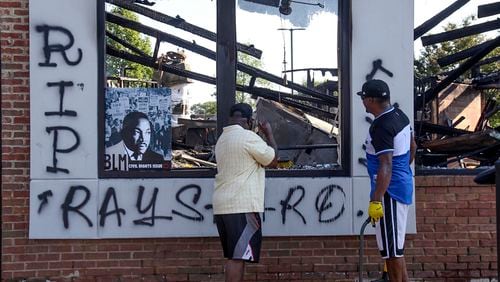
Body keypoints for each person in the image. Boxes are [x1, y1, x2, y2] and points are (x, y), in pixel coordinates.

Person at [358, 79, 417, 282]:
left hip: (389, 192)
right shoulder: (399, 115)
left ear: (372, 100)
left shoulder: (382, 126)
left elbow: (386, 165)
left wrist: (376, 199)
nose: (362, 101)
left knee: (392, 252)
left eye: (363, 97)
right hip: (399, 185)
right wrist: (402, 173)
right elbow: (413, 147)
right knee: (395, 248)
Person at [212, 103, 278, 282]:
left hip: (222, 206)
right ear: (249, 121)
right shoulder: (248, 137)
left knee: (233, 256)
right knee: (237, 257)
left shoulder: (222, 140)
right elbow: (272, 160)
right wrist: (269, 135)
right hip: (241, 206)